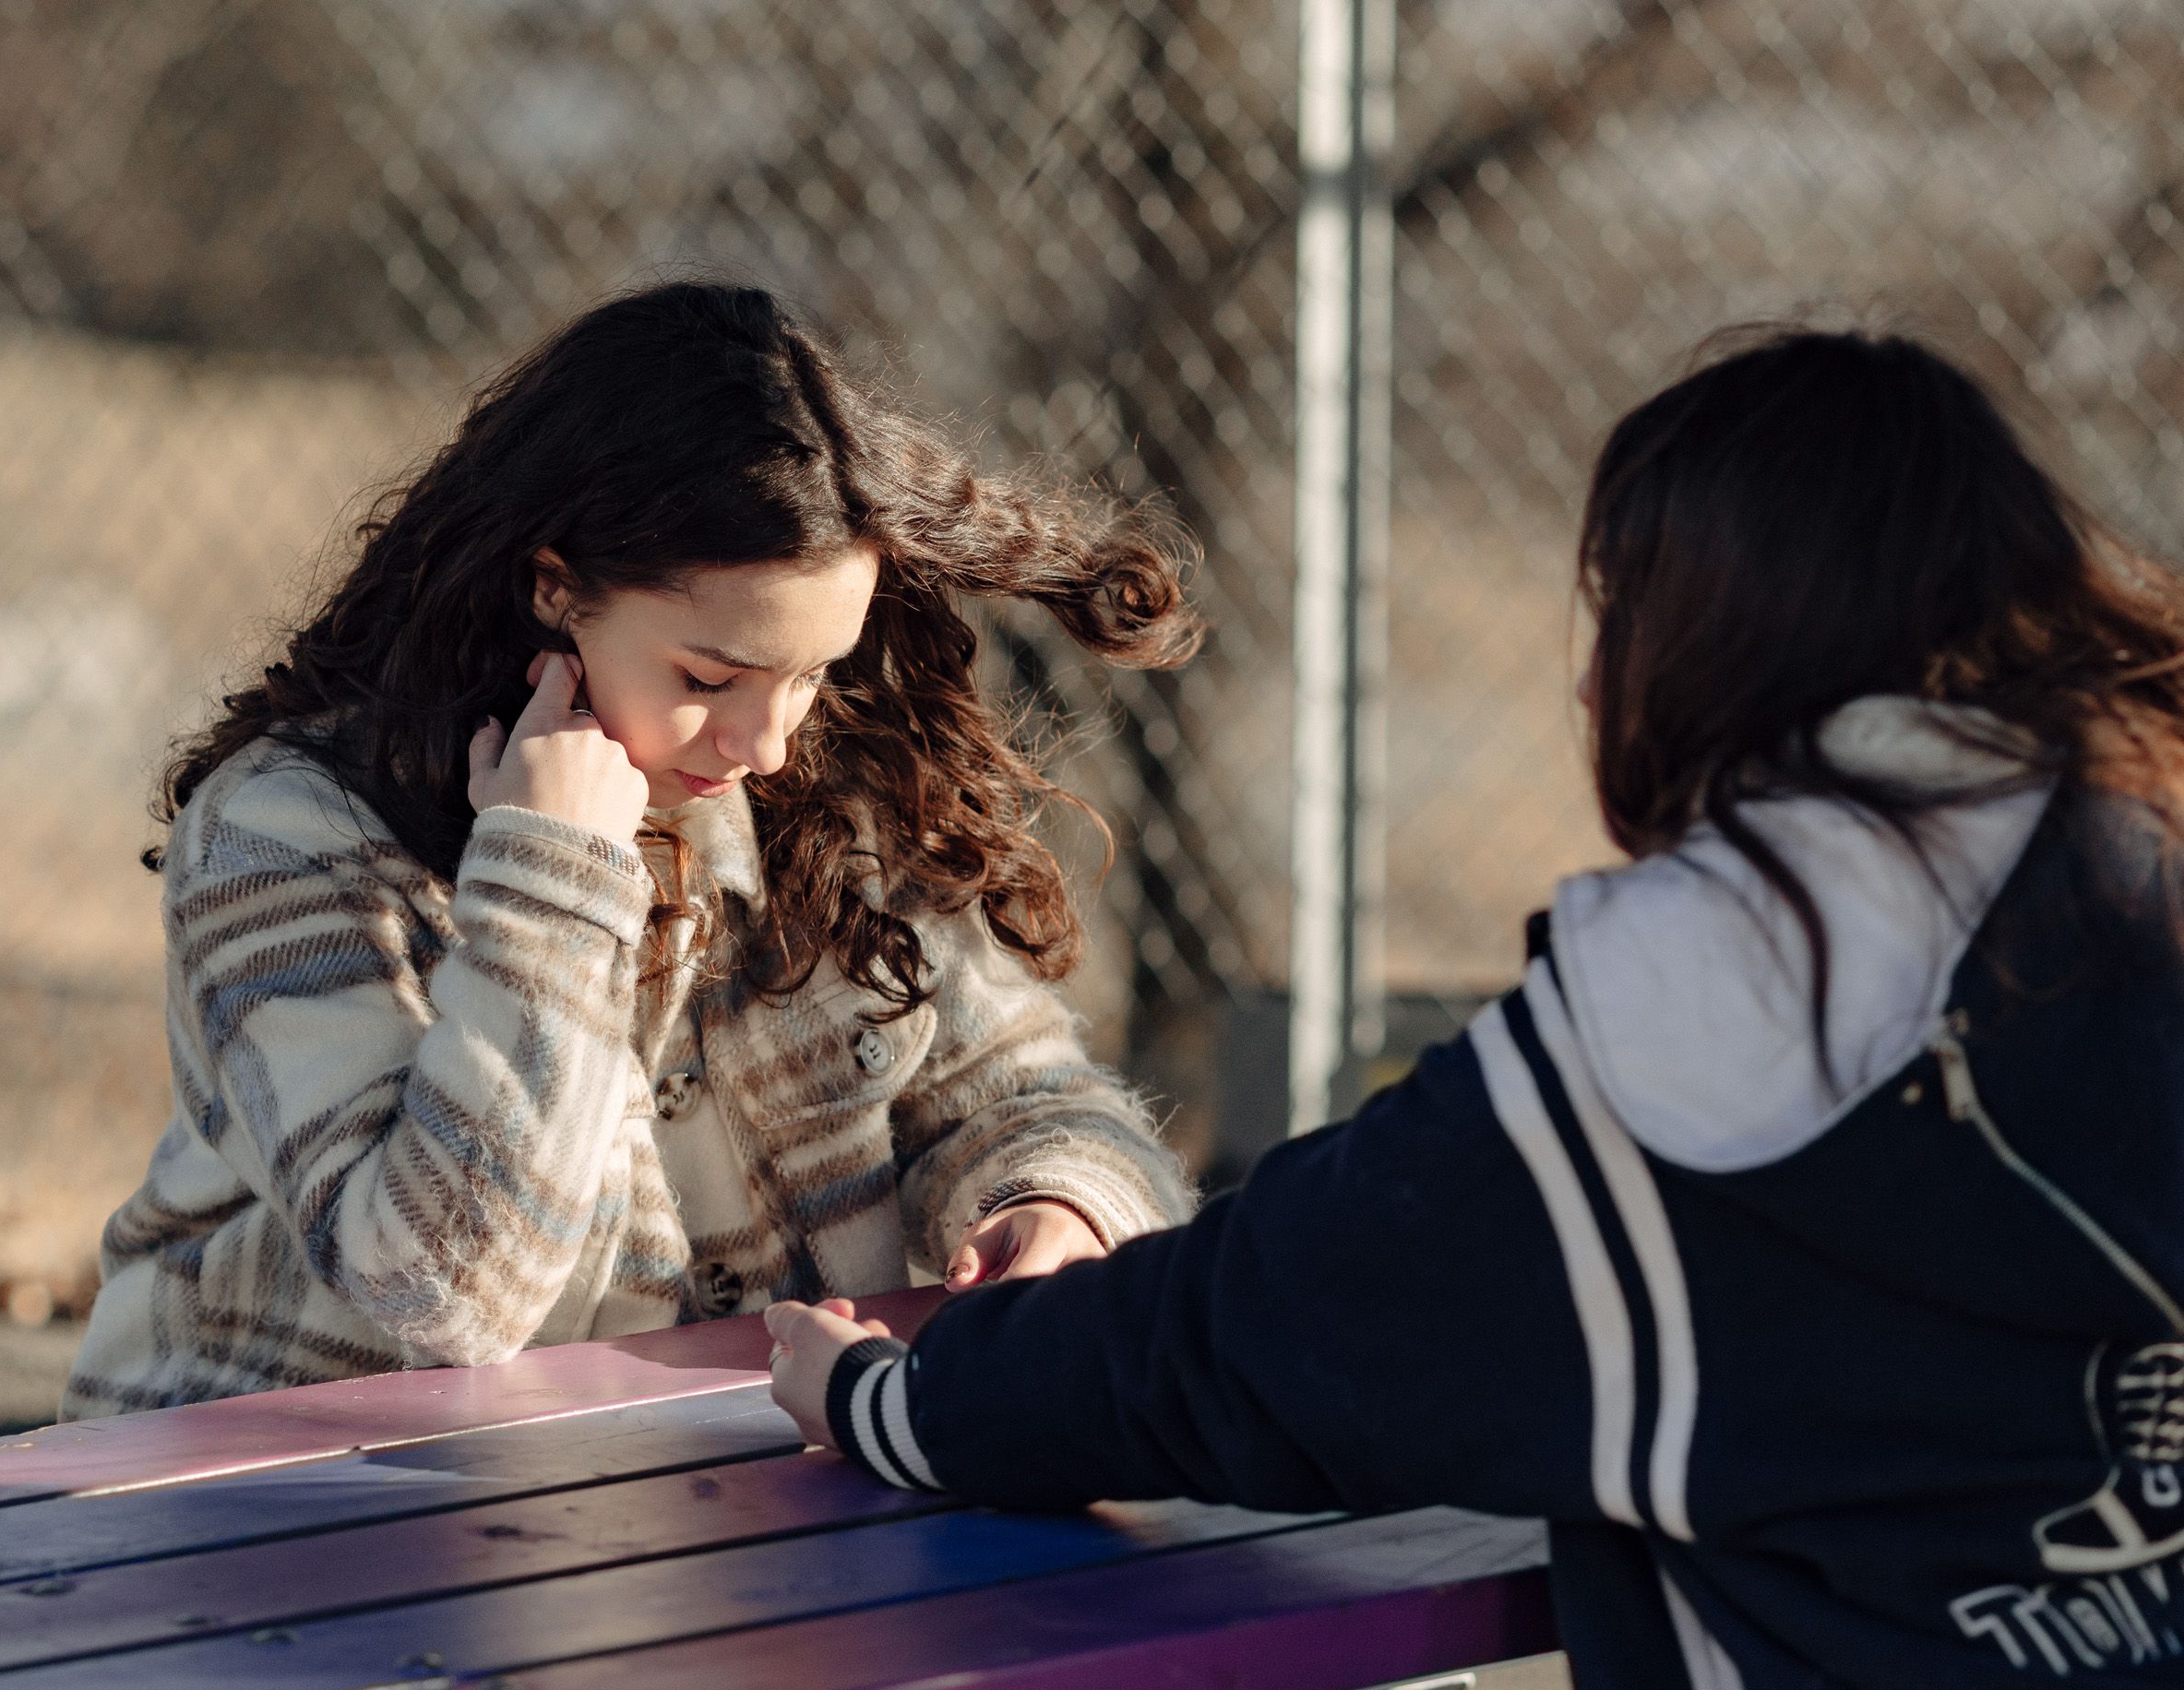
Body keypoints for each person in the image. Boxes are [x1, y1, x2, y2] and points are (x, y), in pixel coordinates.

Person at [769, 326, 2184, 1687]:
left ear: (1706, 649)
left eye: (1622, 616)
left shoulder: (1717, 1007)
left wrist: (898, 1400)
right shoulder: (2133, 880)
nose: (1586, 674)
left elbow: (1260, 1334)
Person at [63, 280, 1199, 1416]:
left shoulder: (825, 797)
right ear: (554, 589)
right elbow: (443, 1294)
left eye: (810, 674)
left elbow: (1026, 1093)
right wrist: (549, 880)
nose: (766, 743)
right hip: (265, 1507)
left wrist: (1064, 1205)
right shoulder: (284, 832)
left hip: (706, 1495)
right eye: (708, 678)